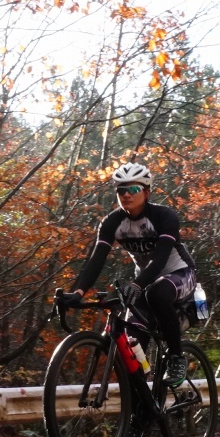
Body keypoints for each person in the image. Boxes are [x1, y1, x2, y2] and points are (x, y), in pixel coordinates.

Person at [66, 162, 198, 389]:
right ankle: (140, 415)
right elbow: (96, 260)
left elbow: (160, 258)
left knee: (157, 293)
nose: (126, 195)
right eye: (121, 190)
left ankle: (176, 357)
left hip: (178, 272)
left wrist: (137, 284)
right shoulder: (112, 222)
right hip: (145, 280)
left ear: (146, 192)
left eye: (133, 189)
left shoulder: (164, 216)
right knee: (131, 349)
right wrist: (77, 292)